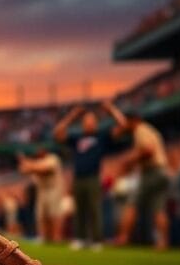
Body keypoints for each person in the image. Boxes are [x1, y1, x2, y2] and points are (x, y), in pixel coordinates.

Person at [53, 101, 127, 250]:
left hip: (93, 177)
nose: (89, 123)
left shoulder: (101, 137)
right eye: (86, 120)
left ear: (96, 123)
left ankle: (96, 240)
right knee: (79, 209)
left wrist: (111, 110)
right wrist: (72, 116)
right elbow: (57, 133)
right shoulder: (77, 138)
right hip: (78, 178)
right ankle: (80, 238)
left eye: (92, 120)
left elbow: (123, 126)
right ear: (82, 124)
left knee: (94, 209)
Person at [119, 112, 170, 249]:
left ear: (133, 120)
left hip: (151, 172)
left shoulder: (140, 130)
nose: (125, 125)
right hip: (162, 170)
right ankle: (163, 242)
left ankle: (123, 238)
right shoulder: (149, 129)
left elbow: (148, 150)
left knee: (132, 203)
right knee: (159, 209)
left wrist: (130, 160)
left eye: (127, 122)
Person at [18, 147, 64, 242]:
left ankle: (56, 238)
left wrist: (27, 163)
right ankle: (44, 237)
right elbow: (23, 170)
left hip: (53, 189)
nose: (39, 151)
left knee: (54, 214)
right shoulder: (37, 161)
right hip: (41, 190)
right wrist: (27, 164)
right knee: (41, 215)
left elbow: (44, 169)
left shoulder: (52, 158)